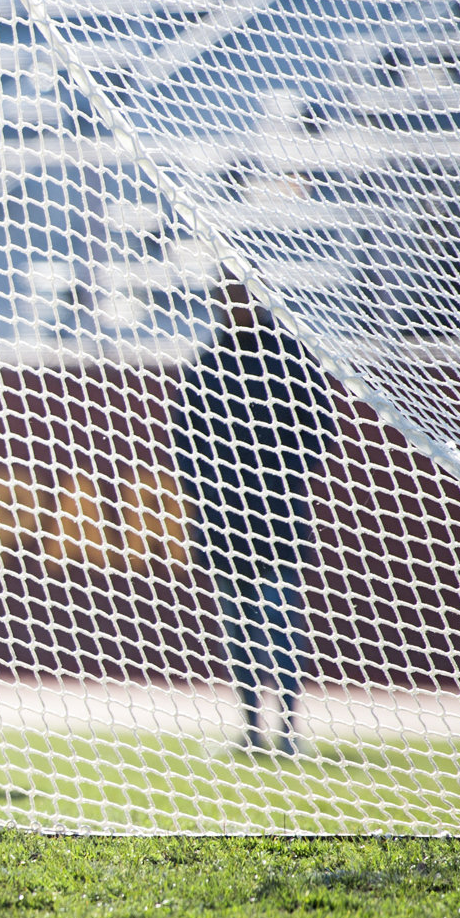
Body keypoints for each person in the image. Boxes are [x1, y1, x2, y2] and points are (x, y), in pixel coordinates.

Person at [171, 274, 332, 758]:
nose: (229, 303)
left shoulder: (289, 360)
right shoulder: (205, 365)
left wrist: (276, 473)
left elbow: (320, 432)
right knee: (237, 628)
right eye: (222, 295)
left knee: (280, 622)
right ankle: (251, 726)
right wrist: (208, 491)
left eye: (237, 292)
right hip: (223, 518)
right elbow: (184, 445)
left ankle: (288, 728)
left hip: (277, 515)